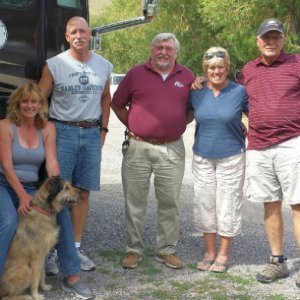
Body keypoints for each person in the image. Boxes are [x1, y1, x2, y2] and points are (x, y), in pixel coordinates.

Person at [0, 83, 93, 299]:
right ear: (17, 103)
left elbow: (51, 163)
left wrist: (58, 187)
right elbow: (6, 165)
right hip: (4, 184)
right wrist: (22, 196)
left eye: (34, 101)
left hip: (32, 187)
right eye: (25, 101)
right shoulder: (5, 126)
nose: (29, 105)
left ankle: (72, 276)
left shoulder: (47, 128)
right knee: (8, 220)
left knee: (63, 217)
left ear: (41, 105)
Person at [111, 33, 195, 269]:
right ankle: (133, 250)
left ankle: (165, 250)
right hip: (137, 146)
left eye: (168, 48)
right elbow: (116, 103)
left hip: (172, 148)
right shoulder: (136, 73)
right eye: (159, 47)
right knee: (134, 201)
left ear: (176, 52)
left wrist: (175, 124)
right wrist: (134, 124)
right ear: (152, 50)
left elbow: (193, 109)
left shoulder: (186, 76)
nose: (164, 52)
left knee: (170, 202)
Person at [38, 16, 113, 272]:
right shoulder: (54, 65)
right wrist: (46, 134)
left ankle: (76, 248)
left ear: (90, 34)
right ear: (67, 37)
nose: (79, 35)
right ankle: (51, 253)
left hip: (91, 133)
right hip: (62, 132)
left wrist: (103, 131)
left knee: (82, 193)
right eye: (73, 32)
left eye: (83, 31)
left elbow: (106, 99)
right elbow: (39, 102)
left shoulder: (104, 65)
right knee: (57, 193)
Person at [238, 18, 300, 285]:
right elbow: (233, 97)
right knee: (270, 203)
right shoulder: (248, 70)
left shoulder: (297, 64)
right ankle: (277, 261)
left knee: (298, 204)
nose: (271, 42)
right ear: (258, 41)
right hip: (259, 147)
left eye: (276, 37)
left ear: (283, 40)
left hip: (292, 142)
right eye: (266, 37)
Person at [187, 47, 249, 273]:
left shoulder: (240, 91)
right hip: (202, 154)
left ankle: (223, 254)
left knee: (228, 202)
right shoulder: (197, 90)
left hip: (231, 155)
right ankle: (209, 251)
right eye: (211, 67)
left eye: (220, 67)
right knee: (204, 202)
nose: (216, 71)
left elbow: (255, 116)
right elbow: (183, 115)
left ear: (227, 68)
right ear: (205, 69)